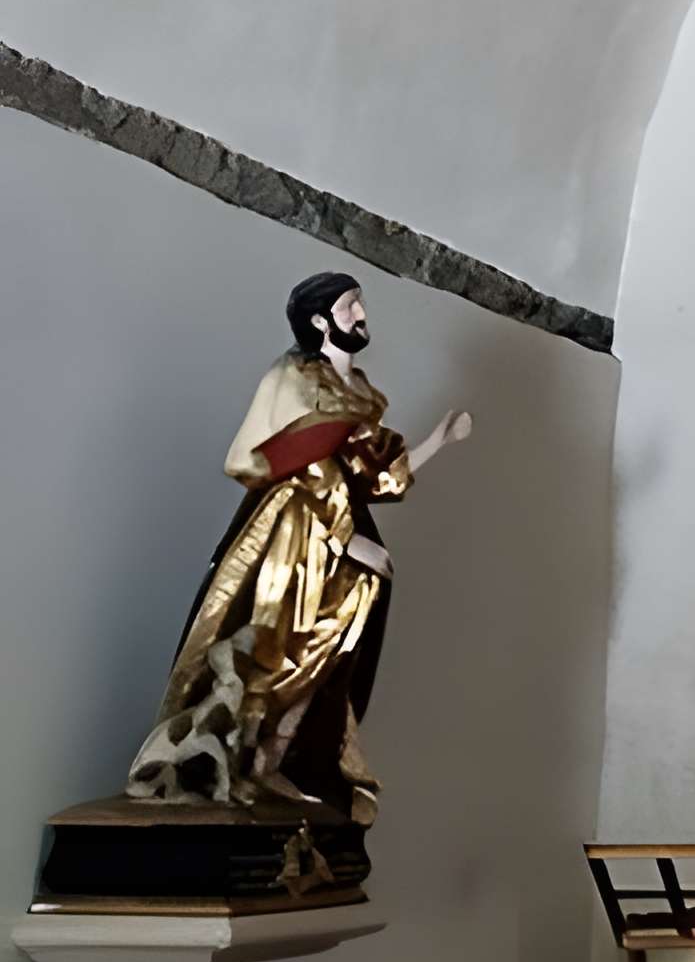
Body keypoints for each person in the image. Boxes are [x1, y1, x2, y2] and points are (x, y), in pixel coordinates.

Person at [124, 274, 473, 822]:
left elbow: (375, 477)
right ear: (319, 321)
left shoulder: (361, 393)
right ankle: (229, 764)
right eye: (349, 306)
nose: (361, 314)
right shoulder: (292, 378)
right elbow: (273, 464)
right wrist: (347, 538)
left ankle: (279, 763)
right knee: (272, 646)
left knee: (329, 654)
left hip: (343, 545)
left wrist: (439, 441)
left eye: (360, 304)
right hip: (294, 537)